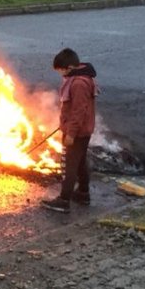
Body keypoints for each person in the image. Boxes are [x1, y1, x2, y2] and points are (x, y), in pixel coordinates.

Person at [41, 48, 99, 214]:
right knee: (80, 162)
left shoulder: (79, 83)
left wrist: (71, 133)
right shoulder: (79, 78)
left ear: (70, 67)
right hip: (81, 129)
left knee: (69, 166)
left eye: (61, 70)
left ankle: (64, 200)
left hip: (78, 132)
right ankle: (83, 193)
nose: (61, 74)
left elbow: (79, 110)